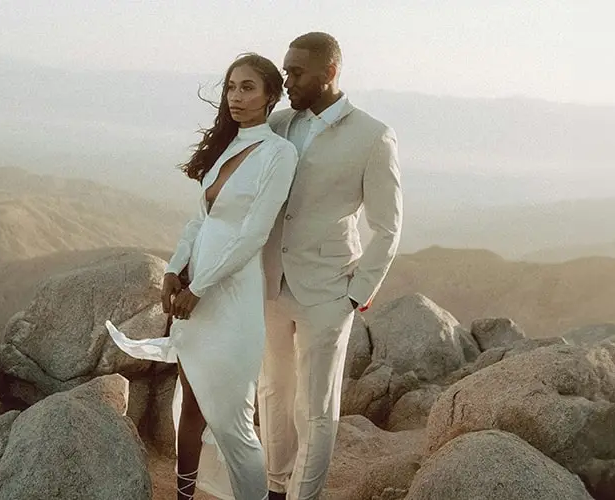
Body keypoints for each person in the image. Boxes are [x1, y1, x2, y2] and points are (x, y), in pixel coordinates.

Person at [106, 52, 298, 500]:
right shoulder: (227, 146)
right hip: (194, 291)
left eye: (247, 87)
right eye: (231, 87)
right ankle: (185, 496)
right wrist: (174, 269)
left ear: (271, 95)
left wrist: (200, 287)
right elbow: (201, 221)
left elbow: (253, 234)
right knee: (190, 406)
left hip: (231, 298)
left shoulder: (279, 153)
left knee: (233, 424)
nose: (235, 96)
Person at [258, 32, 403, 500]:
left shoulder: (372, 135)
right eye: (285, 70)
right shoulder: (277, 124)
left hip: (328, 290)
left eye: (296, 72)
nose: (287, 80)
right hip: (271, 285)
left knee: (316, 407)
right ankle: (275, 488)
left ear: (330, 73)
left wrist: (359, 291)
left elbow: (388, 225)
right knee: (274, 393)